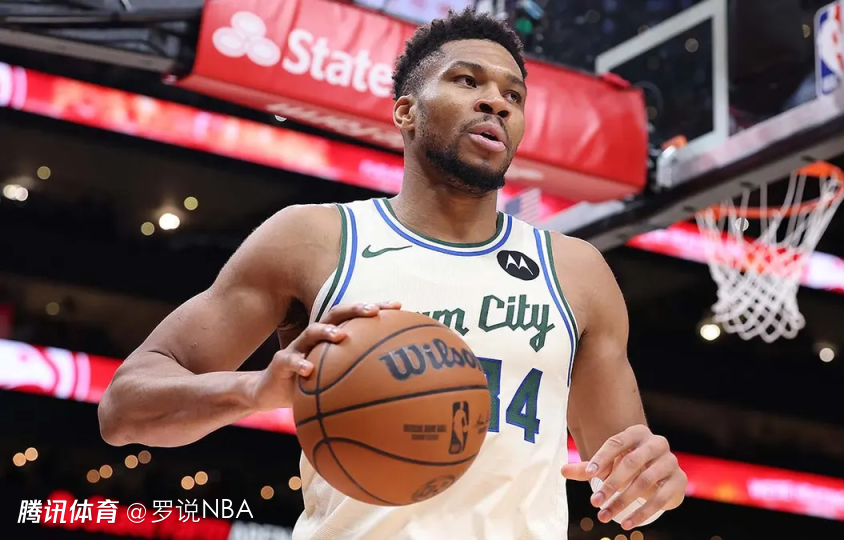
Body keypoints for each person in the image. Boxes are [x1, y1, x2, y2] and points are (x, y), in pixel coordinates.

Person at [97, 8, 687, 539]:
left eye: (513, 94)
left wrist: (657, 478)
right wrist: (256, 390)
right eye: (467, 81)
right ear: (406, 111)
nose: (496, 102)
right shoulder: (313, 239)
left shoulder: (577, 272)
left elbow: (626, 478)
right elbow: (123, 410)